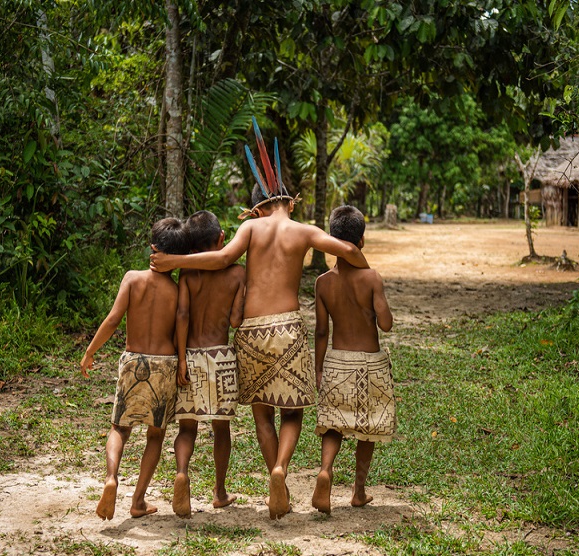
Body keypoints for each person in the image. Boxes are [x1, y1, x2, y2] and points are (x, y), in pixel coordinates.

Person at [150, 127, 368, 519]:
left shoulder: (250, 228)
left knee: (262, 414)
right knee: (293, 413)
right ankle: (281, 469)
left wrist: (175, 262)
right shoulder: (304, 231)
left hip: (250, 332)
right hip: (287, 328)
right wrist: (363, 267)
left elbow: (220, 260)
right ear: (288, 201)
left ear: (259, 206)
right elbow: (349, 251)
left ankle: (273, 475)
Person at [81, 217, 189, 521]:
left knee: (120, 427)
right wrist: (181, 361)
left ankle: (111, 478)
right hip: (165, 365)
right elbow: (181, 326)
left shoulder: (132, 278)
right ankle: (138, 500)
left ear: (153, 249)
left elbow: (114, 319)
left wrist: (91, 350)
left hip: (133, 361)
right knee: (155, 436)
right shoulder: (178, 289)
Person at [310, 205, 396, 515]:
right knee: (367, 428)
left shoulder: (322, 282)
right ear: (361, 241)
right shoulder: (371, 277)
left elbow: (321, 332)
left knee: (334, 425)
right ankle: (358, 491)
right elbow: (385, 325)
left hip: (336, 362)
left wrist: (319, 369)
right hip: (370, 364)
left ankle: (325, 471)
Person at [171, 210, 246, 518]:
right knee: (221, 429)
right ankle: (220, 490)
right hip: (221, 359)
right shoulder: (238, 273)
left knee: (187, 428)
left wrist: (180, 358)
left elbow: (182, 316)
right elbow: (235, 319)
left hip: (189, 355)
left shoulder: (187, 274)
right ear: (222, 239)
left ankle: (182, 473)